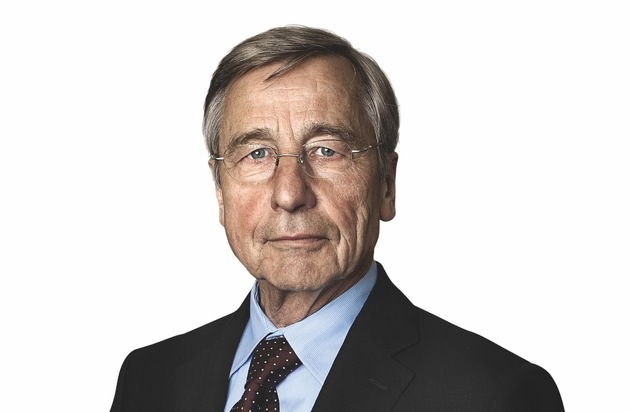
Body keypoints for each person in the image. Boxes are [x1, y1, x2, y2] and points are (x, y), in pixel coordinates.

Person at [110, 25, 565, 412]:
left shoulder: (496, 395)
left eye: (326, 150)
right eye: (257, 154)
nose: (290, 194)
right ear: (220, 190)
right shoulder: (149, 380)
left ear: (386, 184)